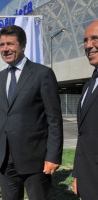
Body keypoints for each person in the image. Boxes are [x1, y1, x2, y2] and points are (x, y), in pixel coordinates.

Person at [0, 25, 63, 200]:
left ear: (23, 46)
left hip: (36, 160)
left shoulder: (42, 74)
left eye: (10, 44)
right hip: (5, 160)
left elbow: (54, 120)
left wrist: (53, 156)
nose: (5, 49)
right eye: (2, 45)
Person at [72, 20, 98, 200]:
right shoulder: (89, 84)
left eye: (95, 39)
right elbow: (84, 135)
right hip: (88, 177)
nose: (88, 45)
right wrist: (78, 173)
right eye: (85, 40)